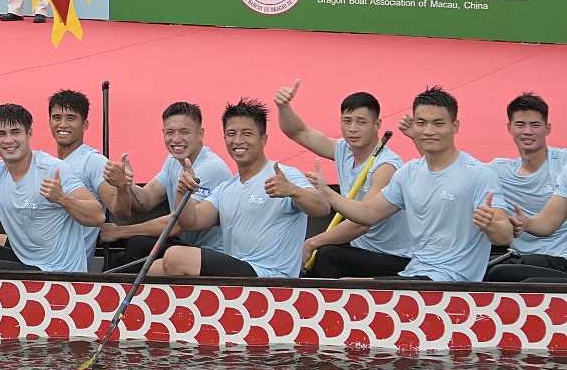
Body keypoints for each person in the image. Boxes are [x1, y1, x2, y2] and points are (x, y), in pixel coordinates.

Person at [304, 87, 512, 282]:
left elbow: (505, 235)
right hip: (414, 272)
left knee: (350, 286)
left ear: (455, 126)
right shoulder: (409, 172)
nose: (428, 131)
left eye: (438, 124)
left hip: (452, 282)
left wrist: (490, 225)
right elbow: (368, 213)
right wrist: (326, 192)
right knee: (334, 268)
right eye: (421, 123)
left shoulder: (479, 174)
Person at [157, 99, 330, 278]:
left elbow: (322, 208)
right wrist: (183, 192)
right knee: (157, 268)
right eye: (231, 134)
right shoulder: (226, 189)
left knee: (176, 257)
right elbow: (190, 223)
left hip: (271, 278)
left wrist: (293, 190)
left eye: (247, 134)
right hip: (240, 275)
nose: (238, 141)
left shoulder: (285, 175)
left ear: (263, 139)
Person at [0, 90, 133, 270]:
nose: (63, 124)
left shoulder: (90, 162)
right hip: (33, 249)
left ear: (85, 124)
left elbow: (119, 213)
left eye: (70, 118)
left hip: (60, 263)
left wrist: (121, 186)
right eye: (57, 117)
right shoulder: (16, 168)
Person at [274, 81, 413, 278]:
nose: (353, 128)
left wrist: (311, 243)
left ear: (377, 125)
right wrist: (284, 107)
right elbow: (298, 132)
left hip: (395, 258)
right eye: (347, 121)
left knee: (326, 254)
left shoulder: (386, 167)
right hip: (362, 249)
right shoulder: (343, 150)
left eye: (361, 122)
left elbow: (362, 222)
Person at [103, 101, 233, 266]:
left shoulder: (209, 168)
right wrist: (126, 184)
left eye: (184, 132)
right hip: (188, 247)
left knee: (137, 246)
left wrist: (119, 232)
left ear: (200, 134)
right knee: (116, 260)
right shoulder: (173, 161)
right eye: (170, 132)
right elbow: (146, 200)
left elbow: (178, 224)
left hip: (214, 254)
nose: (176, 139)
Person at [472, 93, 567, 282]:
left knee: (496, 272)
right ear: (509, 128)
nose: (528, 131)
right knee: (473, 265)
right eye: (520, 125)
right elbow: (454, 173)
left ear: (548, 128)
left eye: (535, 125)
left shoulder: (563, 162)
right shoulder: (498, 170)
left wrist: (526, 223)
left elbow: (550, 220)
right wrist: (419, 139)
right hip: (519, 258)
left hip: (559, 259)